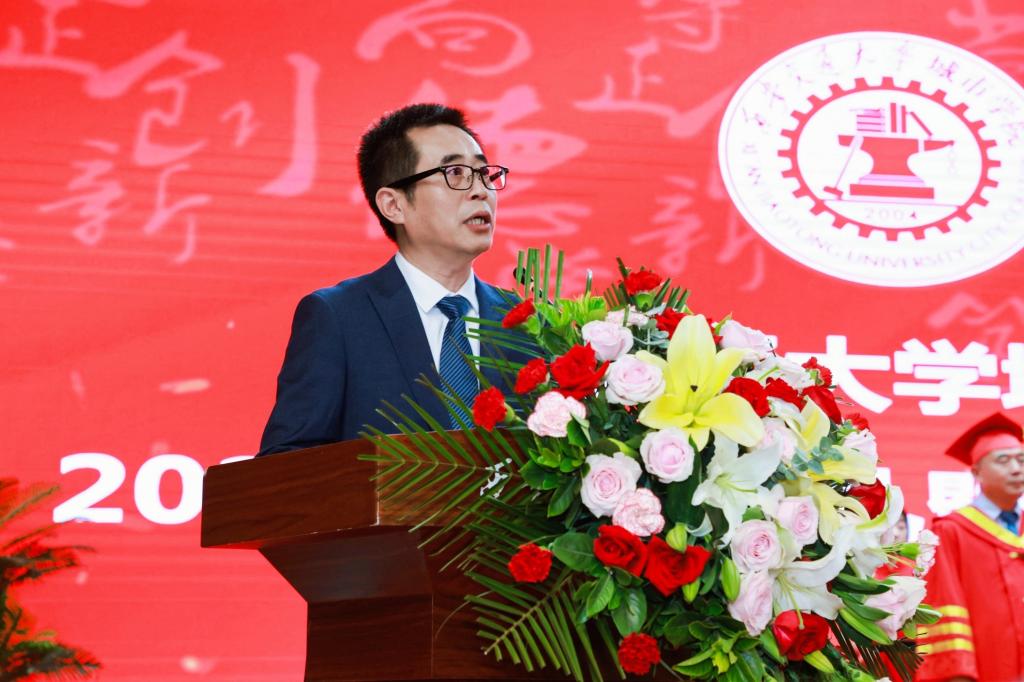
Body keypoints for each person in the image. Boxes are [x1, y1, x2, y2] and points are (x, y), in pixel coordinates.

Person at [258, 103, 518, 455]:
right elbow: (285, 462)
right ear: (394, 205)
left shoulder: (529, 324)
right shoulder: (339, 318)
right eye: (455, 173)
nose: (481, 191)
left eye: (483, 172)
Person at [915, 412, 1024, 682]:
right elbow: (942, 605)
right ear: (976, 472)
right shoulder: (951, 531)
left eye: (1021, 459)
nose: (1016, 468)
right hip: (985, 669)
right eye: (1003, 460)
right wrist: (957, 674)